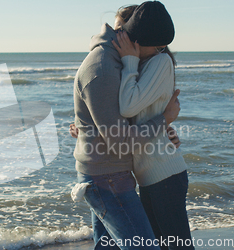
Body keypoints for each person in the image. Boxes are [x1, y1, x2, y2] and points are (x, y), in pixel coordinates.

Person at [72, 1, 181, 249]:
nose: (160, 53)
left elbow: (116, 116)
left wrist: (164, 130)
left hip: (112, 172)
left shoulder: (115, 62)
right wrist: (163, 120)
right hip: (105, 177)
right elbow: (120, 140)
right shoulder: (103, 67)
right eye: (158, 47)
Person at [111, 3, 195, 250]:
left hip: (164, 174)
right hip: (152, 175)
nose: (121, 38)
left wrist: (128, 59)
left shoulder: (159, 62)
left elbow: (128, 106)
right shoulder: (143, 65)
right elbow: (129, 114)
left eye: (123, 32)